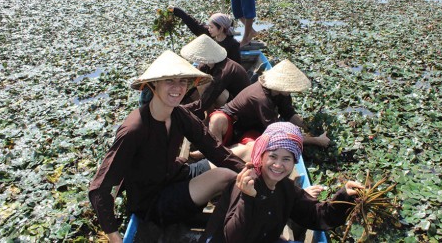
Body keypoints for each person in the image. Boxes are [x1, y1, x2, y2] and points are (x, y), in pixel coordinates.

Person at [88, 50, 246, 242]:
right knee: (226, 175)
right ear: (154, 84)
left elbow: (212, 147)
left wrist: (250, 173)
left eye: (182, 82)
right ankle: (215, 235)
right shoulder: (134, 129)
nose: (178, 88)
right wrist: (114, 235)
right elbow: (99, 188)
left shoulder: (178, 114)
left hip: (175, 175)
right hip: (153, 202)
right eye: (169, 81)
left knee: (247, 152)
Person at [201, 122, 364, 243]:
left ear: (294, 162)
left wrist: (344, 197)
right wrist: (247, 198)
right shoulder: (246, 184)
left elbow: (316, 215)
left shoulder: (286, 188)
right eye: (272, 157)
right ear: (261, 156)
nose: (278, 165)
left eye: (286, 159)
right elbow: (233, 238)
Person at [207, 59, 331, 153]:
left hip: (250, 128)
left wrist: (307, 127)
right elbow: (278, 132)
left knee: (255, 147)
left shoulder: (282, 92)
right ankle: (216, 151)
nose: (291, 90)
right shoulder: (261, 98)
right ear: (278, 84)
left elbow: (289, 113)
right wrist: (316, 141)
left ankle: (228, 149)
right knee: (217, 118)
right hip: (232, 123)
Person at [181, 34, 251, 120]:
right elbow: (191, 85)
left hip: (238, 106)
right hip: (221, 93)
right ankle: (203, 114)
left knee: (204, 83)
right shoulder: (205, 65)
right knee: (197, 81)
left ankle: (209, 117)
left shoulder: (224, 70)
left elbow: (207, 99)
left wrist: (181, 110)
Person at [172, 6, 241, 64]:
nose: (209, 29)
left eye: (211, 27)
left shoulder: (233, 45)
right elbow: (194, 24)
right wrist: (177, 11)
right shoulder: (209, 36)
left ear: (221, 28)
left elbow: (235, 67)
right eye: (209, 26)